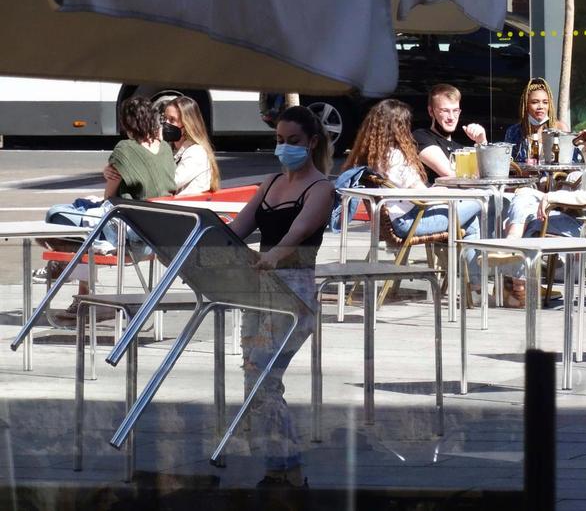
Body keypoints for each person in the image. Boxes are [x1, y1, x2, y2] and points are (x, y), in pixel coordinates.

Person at [228, 105, 334, 489]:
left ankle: (285, 464)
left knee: (263, 374)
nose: (284, 148)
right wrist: (203, 245)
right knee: (253, 373)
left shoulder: (321, 188)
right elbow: (239, 227)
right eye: (279, 140)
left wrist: (273, 254)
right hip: (260, 288)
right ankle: (276, 461)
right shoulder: (272, 183)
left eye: (293, 142)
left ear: (311, 143)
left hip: (294, 291)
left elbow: (298, 232)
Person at [37, 96, 176, 319]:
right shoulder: (166, 150)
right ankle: (73, 277)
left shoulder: (125, 149)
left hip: (127, 233)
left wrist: (108, 176)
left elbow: (108, 195)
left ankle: (67, 270)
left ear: (127, 123)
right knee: (80, 228)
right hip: (156, 232)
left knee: (55, 216)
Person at [342, 98, 487, 301]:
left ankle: (476, 284)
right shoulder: (396, 158)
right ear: (399, 128)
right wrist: (446, 191)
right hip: (411, 221)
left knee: (470, 223)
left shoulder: (373, 156)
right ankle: (483, 282)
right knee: (483, 199)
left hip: (396, 220)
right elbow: (423, 197)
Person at [501, 109, 586, 307]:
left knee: (531, 223)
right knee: (524, 195)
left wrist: (551, 197)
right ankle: (514, 258)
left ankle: (517, 284)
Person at [104, 95, 220, 196]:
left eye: (172, 120)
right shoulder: (172, 148)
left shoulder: (196, 152)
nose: (166, 124)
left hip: (185, 209)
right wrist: (112, 171)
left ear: (187, 124)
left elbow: (166, 183)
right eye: (165, 118)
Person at [413, 83, 487, 184]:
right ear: (431, 111)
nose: (451, 117)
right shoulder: (421, 137)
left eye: (455, 111)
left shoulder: (459, 148)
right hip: (438, 199)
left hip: (467, 197)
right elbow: (450, 174)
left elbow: (484, 176)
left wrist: (482, 142)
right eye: (445, 111)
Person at [504, 77, 569, 162]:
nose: (541, 107)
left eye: (545, 102)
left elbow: (571, 161)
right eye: (535, 102)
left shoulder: (560, 129)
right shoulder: (514, 132)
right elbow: (506, 163)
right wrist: (523, 169)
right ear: (526, 105)